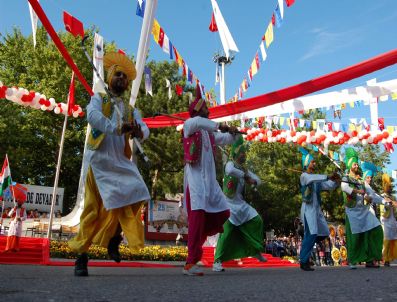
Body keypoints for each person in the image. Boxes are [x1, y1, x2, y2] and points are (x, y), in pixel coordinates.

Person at [69, 52, 151, 277]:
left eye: (125, 77)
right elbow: (92, 116)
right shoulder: (99, 98)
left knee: (139, 192)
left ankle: (114, 236)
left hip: (121, 163)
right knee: (92, 211)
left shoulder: (130, 109)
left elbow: (145, 130)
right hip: (99, 162)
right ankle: (81, 258)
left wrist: (137, 130)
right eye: (118, 75)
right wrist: (115, 128)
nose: (122, 79)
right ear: (110, 77)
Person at [182, 86, 238, 276]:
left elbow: (226, 139)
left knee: (223, 211)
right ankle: (190, 262)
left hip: (210, 183)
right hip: (195, 182)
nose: (209, 109)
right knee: (197, 218)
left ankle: (197, 243)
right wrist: (217, 125)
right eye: (205, 107)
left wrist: (233, 133)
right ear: (198, 109)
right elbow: (198, 122)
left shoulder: (208, 133)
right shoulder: (190, 126)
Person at [212, 135, 266, 272]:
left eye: (245, 152)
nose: (244, 155)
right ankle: (217, 261)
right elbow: (230, 171)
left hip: (241, 204)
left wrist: (254, 180)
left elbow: (258, 180)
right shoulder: (230, 164)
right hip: (228, 203)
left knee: (257, 220)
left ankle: (255, 250)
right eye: (242, 152)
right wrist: (246, 177)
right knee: (226, 232)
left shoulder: (244, 169)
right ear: (236, 153)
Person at [341, 148, 392, 269]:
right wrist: (359, 191)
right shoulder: (346, 178)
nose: (356, 164)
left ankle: (370, 259)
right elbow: (344, 188)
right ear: (349, 164)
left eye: (357, 162)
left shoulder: (361, 180)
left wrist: (385, 202)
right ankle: (352, 260)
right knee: (356, 238)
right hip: (353, 213)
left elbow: (373, 195)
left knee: (376, 230)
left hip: (364, 212)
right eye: (354, 162)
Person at [298, 148, 339, 271]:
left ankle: (306, 244)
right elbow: (311, 179)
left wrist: (336, 181)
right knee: (312, 234)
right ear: (306, 164)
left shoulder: (316, 180)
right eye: (312, 162)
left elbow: (328, 186)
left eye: (314, 162)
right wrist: (327, 176)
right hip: (308, 210)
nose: (314, 164)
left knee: (324, 232)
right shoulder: (304, 176)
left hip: (316, 210)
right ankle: (304, 260)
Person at [379, 173, 397, 266]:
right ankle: (385, 259)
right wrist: (388, 202)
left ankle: (390, 258)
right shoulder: (381, 196)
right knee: (386, 240)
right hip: (385, 220)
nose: (390, 188)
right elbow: (383, 208)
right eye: (388, 186)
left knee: (393, 239)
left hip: (393, 220)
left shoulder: (393, 197)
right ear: (384, 187)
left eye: (390, 186)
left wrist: (394, 203)